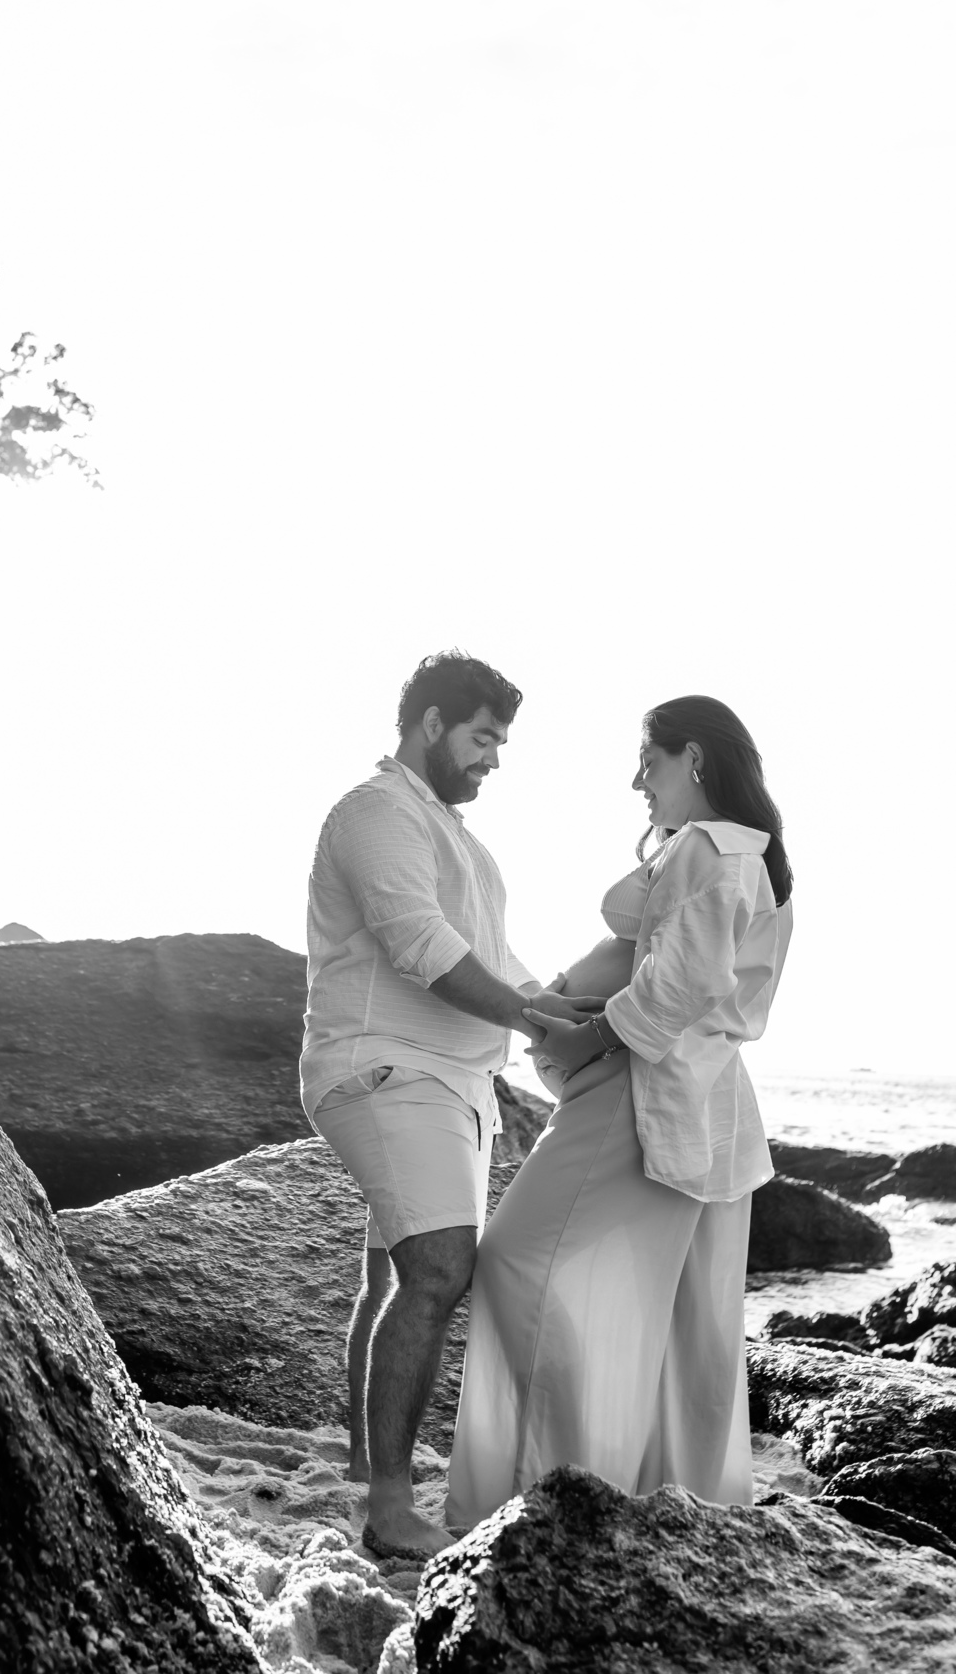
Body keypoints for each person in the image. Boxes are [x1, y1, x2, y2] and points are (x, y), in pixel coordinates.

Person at [445, 695, 793, 1529]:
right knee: (689, 1323)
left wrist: (584, 1040)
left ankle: (539, 1498)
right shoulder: (749, 855)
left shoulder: (709, 849)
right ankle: (678, 1507)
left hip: (644, 1089)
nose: (637, 779)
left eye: (650, 759)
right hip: (707, 1102)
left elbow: (680, 986)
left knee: (517, 1265)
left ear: (695, 759)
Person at [300, 651, 601, 1561]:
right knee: (438, 1272)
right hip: (384, 1069)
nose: (494, 760)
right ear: (430, 724)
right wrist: (527, 1012)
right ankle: (391, 1508)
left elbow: (498, 960)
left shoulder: (455, 836)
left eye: (500, 742)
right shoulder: (375, 815)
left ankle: (364, 1465)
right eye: (482, 738)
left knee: (392, 1275)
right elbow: (416, 942)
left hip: (450, 1083)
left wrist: (582, 1013)